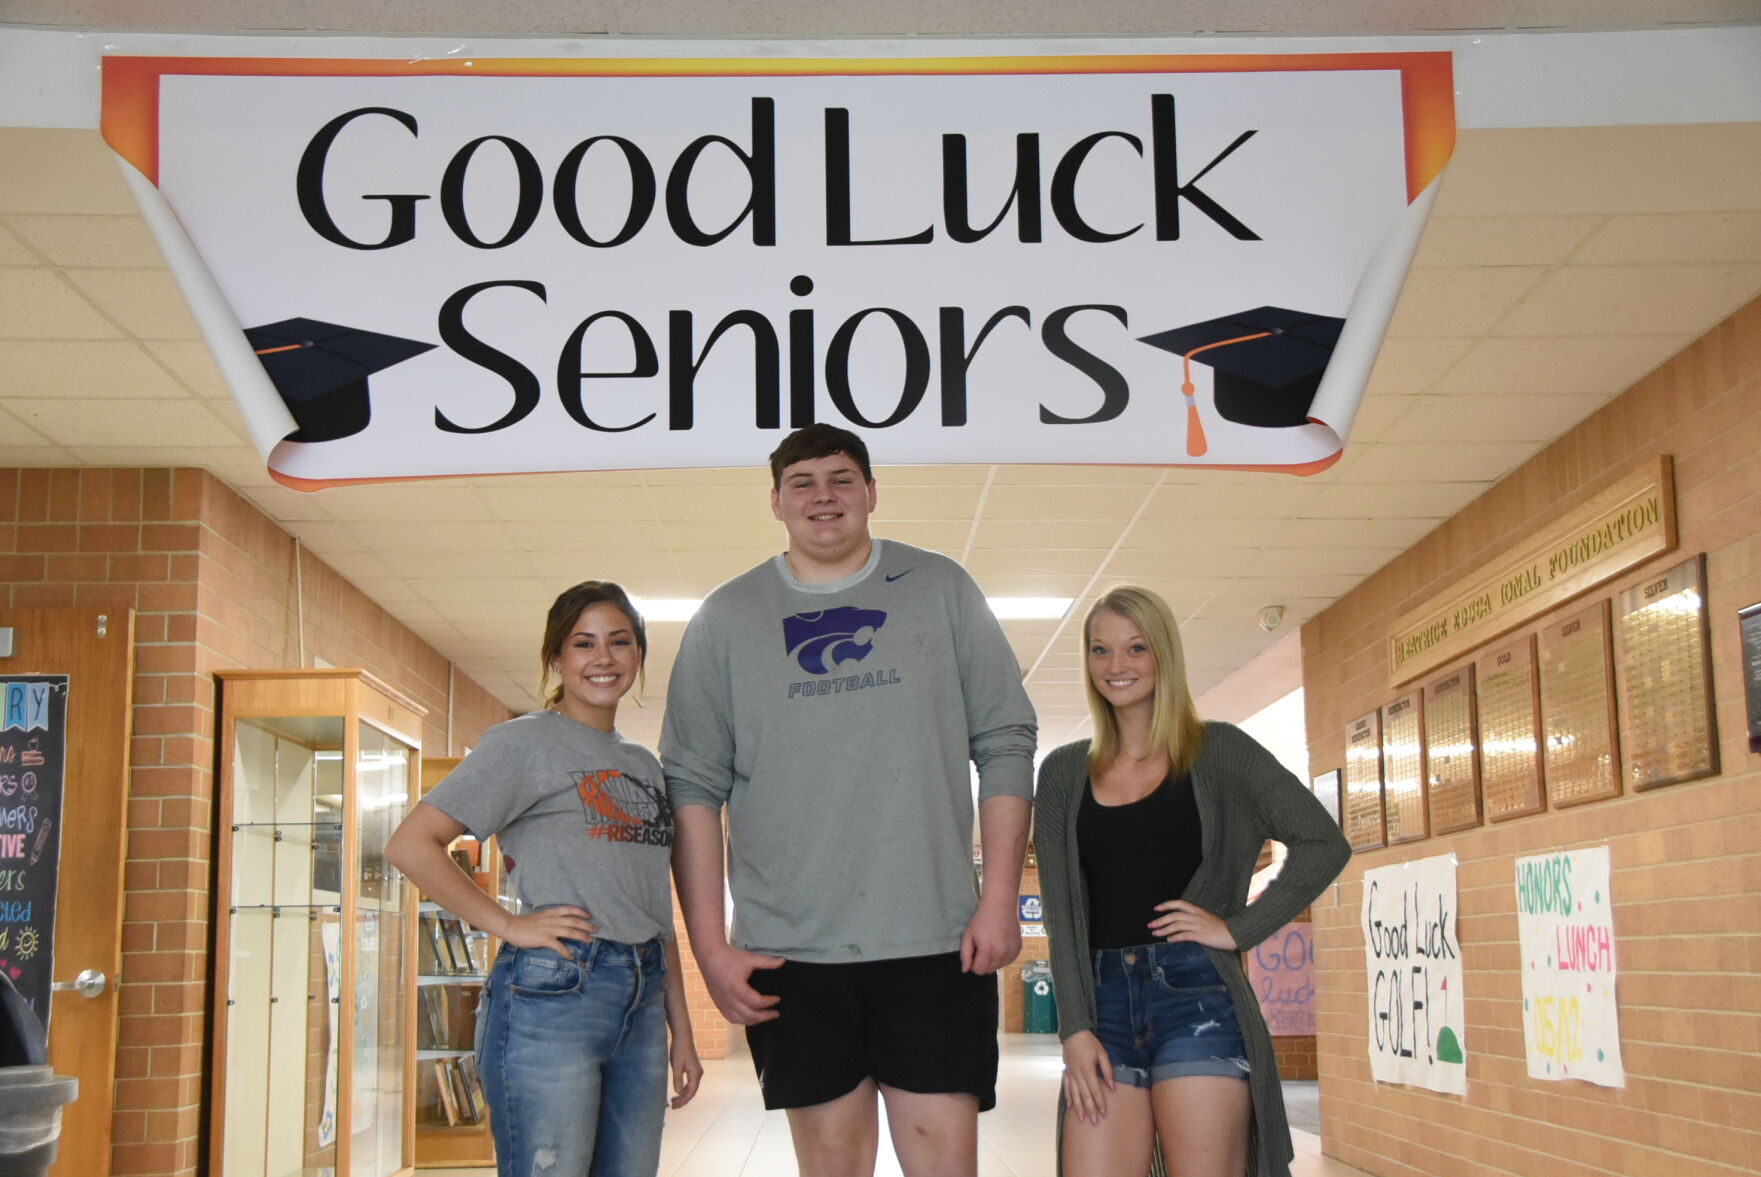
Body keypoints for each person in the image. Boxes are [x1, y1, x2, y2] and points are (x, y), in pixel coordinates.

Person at [662, 423, 1037, 1177]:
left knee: (943, 1161)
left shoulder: (940, 589)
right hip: (790, 950)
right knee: (830, 1163)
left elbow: (1004, 740)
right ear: (775, 500)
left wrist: (999, 899)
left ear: (870, 492)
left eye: (840, 478)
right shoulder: (727, 618)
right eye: (802, 482)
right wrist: (710, 946)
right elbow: (692, 790)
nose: (822, 496)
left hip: (935, 939)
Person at [385, 580, 701, 1177]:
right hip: (556, 994)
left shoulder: (645, 767)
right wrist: (507, 923)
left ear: (638, 655)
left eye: (619, 641)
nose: (602, 658)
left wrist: (680, 1028)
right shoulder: (521, 744)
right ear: (556, 658)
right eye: (583, 644)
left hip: (643, 998)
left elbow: (656, 910)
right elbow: (410, 844)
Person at [1034, 585, 1350, 1177]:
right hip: (1100, 1004)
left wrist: (1239, 928)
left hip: (1197, 996)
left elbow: (1323, 841)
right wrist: (1074, 1029)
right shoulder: (1062, 773)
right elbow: (1061, 916)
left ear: (1164, 655)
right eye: (1100, 651)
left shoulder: (1221, 752)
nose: (1116, 666)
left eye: (1135, 648)